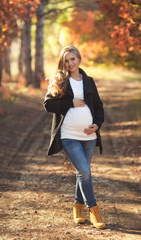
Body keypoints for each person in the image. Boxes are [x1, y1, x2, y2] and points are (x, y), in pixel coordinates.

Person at [43, 45, 105, 229]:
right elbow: (48, 104)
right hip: (69, 134)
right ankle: (94, 210)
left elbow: (99, 106)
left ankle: (77, 207)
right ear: (63, 63)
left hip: (89, 136)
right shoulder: (60, 81)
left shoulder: (89, 81)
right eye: (66, 60)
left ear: (79, 59)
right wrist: (70, 102)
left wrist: (97, 125)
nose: (70, 63)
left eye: (73, 59)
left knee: (82, 172)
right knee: (85, 172)